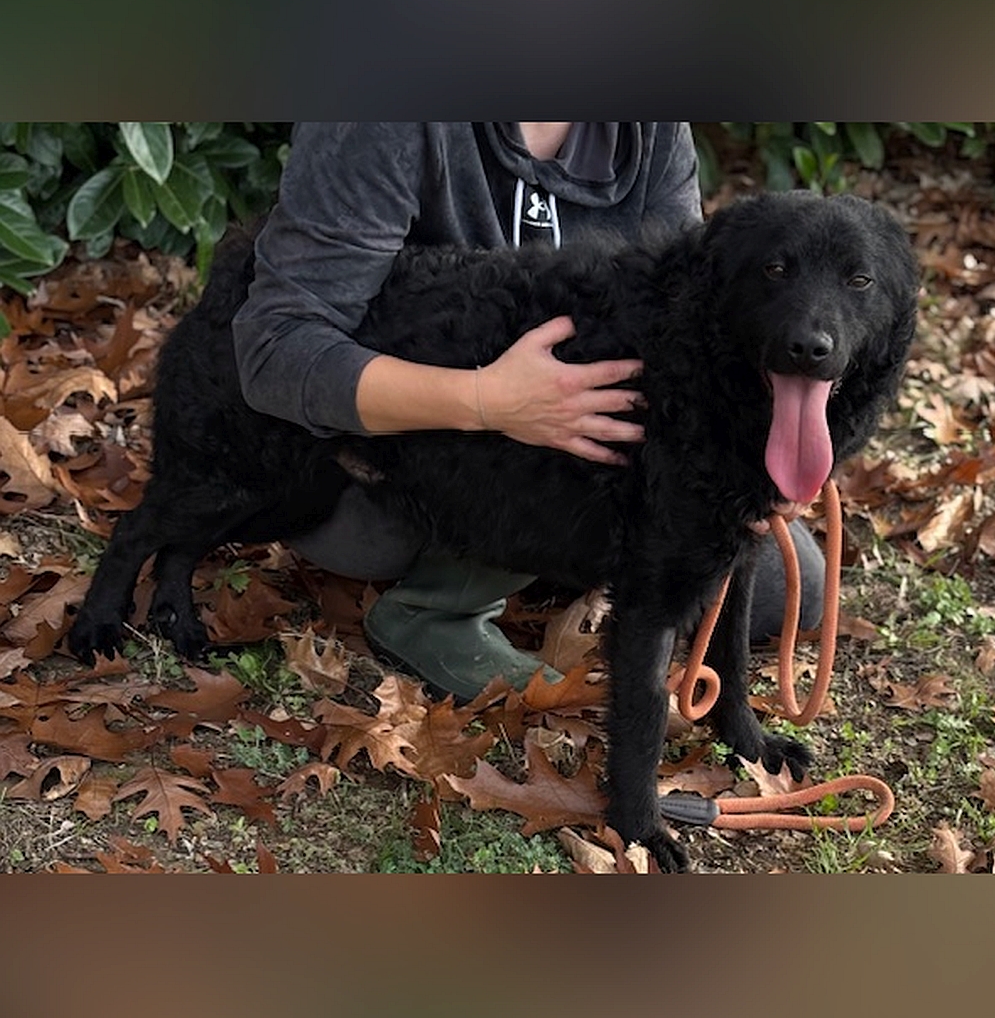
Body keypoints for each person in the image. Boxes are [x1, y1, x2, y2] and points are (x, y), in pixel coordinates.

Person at [232, 123, 824, 700]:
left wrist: (752, 454)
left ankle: (551, 563)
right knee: (371, 543)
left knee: (785, 583)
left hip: (584, 457)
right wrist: (488, 400)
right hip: (398, 460)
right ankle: (436, 609)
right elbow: (275, 350)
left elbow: (688, 317)